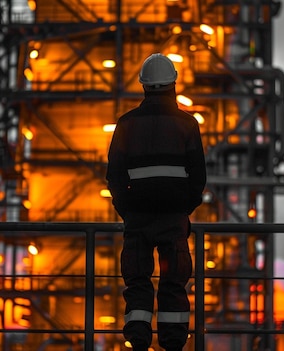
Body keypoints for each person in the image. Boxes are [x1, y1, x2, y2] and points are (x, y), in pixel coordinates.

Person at [106, 53, 207, 351]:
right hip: (173, 218)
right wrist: (182, 208)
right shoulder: (187, 124)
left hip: (137, 217)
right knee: (173, 280)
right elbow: (198, 177)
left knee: (137, 279)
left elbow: (113, 175)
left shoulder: (125, 124)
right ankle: (173, 342)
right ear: (173, 84)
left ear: (144, 86)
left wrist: (127, 208)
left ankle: (137, 339)